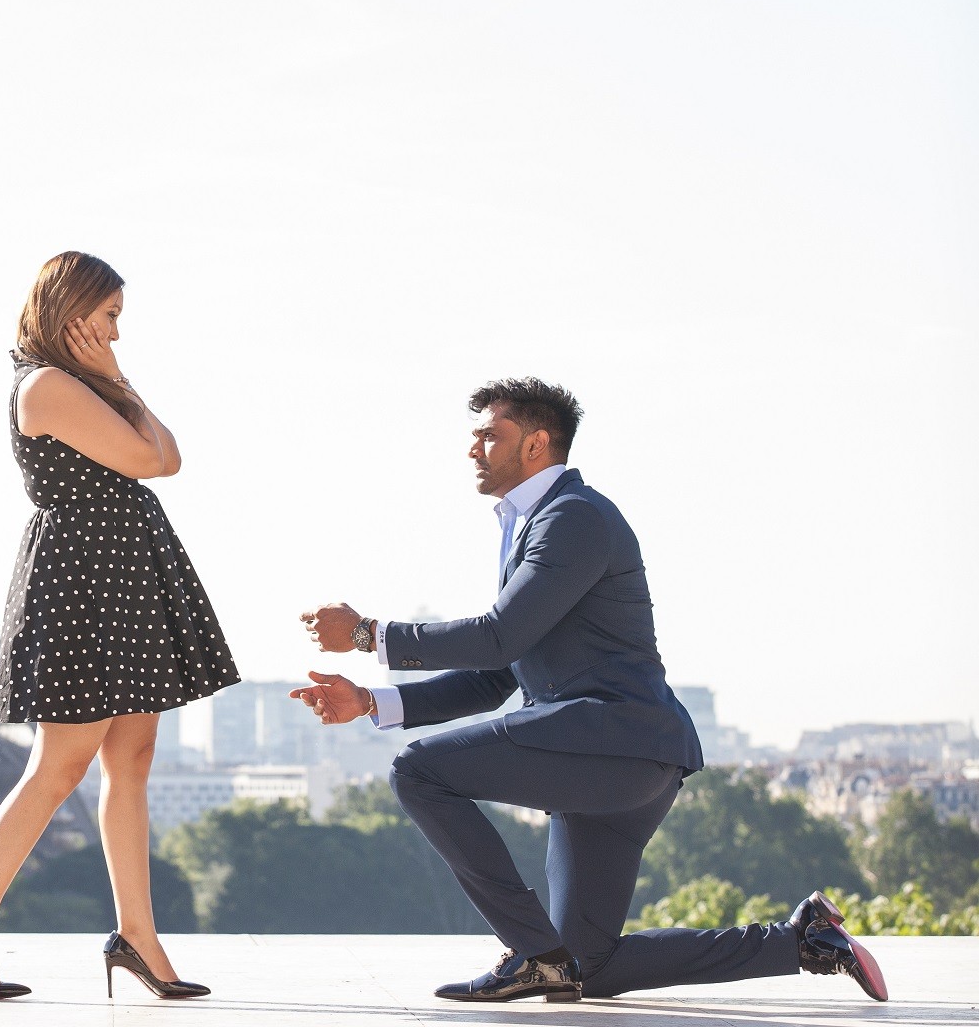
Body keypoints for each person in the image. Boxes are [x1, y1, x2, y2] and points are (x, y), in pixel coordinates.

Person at [290, 378, 887, 1004]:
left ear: (538, 444)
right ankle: (801, 942)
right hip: (618, 756)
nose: (474, 449)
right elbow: (503, 671)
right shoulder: (539, 523)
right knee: (587, 965)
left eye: (490, 435)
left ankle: (531, 953)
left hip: (609, 740)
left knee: (420, 772)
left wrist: (367, 633)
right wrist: (373, 702)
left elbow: (498, 637)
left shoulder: (573, 518)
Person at [0, 251, 240, 1002]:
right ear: (73, 317)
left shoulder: (85, 385)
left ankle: (139, 937)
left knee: (132, 758)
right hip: (84, 589)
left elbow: (172, 456)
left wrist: (120, 382)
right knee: (60, 764)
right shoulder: (45, 386)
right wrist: (122, 390)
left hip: (119, 580)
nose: (116, 336)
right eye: (109, 320)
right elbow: (147, 458)